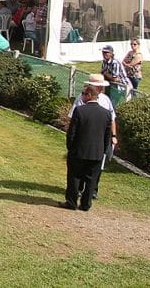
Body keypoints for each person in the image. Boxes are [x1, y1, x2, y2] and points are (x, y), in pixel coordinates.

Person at [60, 83, 113, 212]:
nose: (82, 96)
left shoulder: (80, 111)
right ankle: (86, 204)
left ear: (90, 95)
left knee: (74, 176)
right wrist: (103, 151)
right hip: (97, 153)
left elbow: (72, 132)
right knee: (91, 179)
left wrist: (71, 148)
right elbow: (107, 135)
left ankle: (71, 202)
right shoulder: (106, 114)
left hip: (79, 151)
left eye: (84, 94)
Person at [70, 74, 118, 200]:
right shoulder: (82, 98)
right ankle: (79, 190)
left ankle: (92, 191)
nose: (101, 89)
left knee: (97, 167)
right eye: (99, 86)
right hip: (85, 138)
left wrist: (113, 135)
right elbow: (74, 119)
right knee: (80, 167)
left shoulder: (106, 100)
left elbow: (112, 119)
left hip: (99, 138)